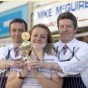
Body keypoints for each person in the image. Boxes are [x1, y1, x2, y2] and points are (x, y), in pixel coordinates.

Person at [6, 24, 63, 88]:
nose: (38, 38)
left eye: (43, 37)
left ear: (47, 41)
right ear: (29, 38)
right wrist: (22, 74)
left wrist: (37, 74)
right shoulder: (18, 59)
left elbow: (58, 86)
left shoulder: (54, 60)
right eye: (35, 35)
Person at [54, 11, 88, 88]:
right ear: (58, 29)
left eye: (68, 26)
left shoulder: (84, 47)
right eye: (62, 26)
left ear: (75, 29)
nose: (65, 29)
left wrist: (50, 66)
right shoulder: (51, 48)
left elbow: (74, 66)